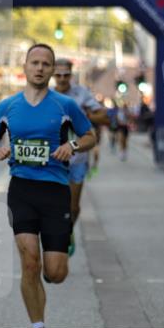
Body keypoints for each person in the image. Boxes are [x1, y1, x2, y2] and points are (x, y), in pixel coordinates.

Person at [0, 43, 95, 328]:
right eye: (36, 62)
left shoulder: (66, 105)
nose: (41, 68)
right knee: (30, 262)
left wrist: (71, 145)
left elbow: (90, 136)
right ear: (25, 66)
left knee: (55, 273)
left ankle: (62, 242)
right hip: (22, 190)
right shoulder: (7, 107)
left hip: (56, 191)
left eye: (47, 64)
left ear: (51, 69)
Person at [51, 58, 108, 256]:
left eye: (66, 75)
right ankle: (57, 235)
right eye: (58, 75)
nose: (62, 79)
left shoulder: (81, 93)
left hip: (77, 159)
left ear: (71, 74)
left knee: (73, 207)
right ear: (52, 75)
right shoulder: (45, 95)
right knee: (53, 204)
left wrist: (83, 116)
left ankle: (68, 230)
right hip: (53, 160)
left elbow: (103, 117)